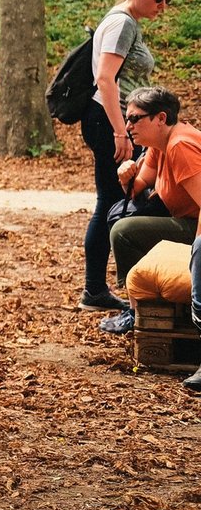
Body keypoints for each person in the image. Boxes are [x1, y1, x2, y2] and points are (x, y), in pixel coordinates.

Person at [80, 0, 173, 313]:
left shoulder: (123, 19)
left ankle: (99, 288)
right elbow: (105, 79)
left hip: (114, 119)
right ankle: (101, 289)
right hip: (112, 121)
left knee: (115, 197)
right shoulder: (122, 24)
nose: (163, 5)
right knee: (117, 199)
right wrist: (122, 131)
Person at [98, 88, 201, 340]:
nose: (128, 125)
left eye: (135, 118)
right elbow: (136, 189)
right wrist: (126, 175)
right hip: (185, 220)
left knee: (125, 232)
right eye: (127, 118)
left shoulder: (180, 146)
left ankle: (137, 311)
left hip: (196, 226)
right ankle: (141, 305)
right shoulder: (160, 144)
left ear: (161, 118)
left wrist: (196, 256)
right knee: (123, 222)